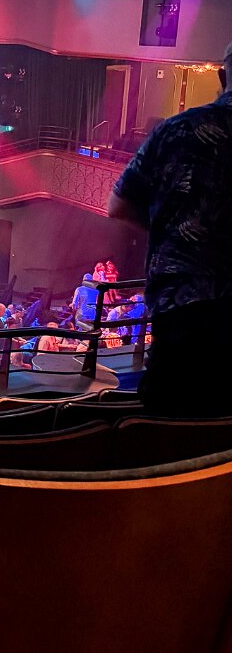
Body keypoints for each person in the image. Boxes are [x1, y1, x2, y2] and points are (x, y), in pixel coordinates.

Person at [108, 42, 232, 416]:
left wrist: (178, 231)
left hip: (186, 311)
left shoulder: (180, 130)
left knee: (170, 427)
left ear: (222, 76)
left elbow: (119, 205)